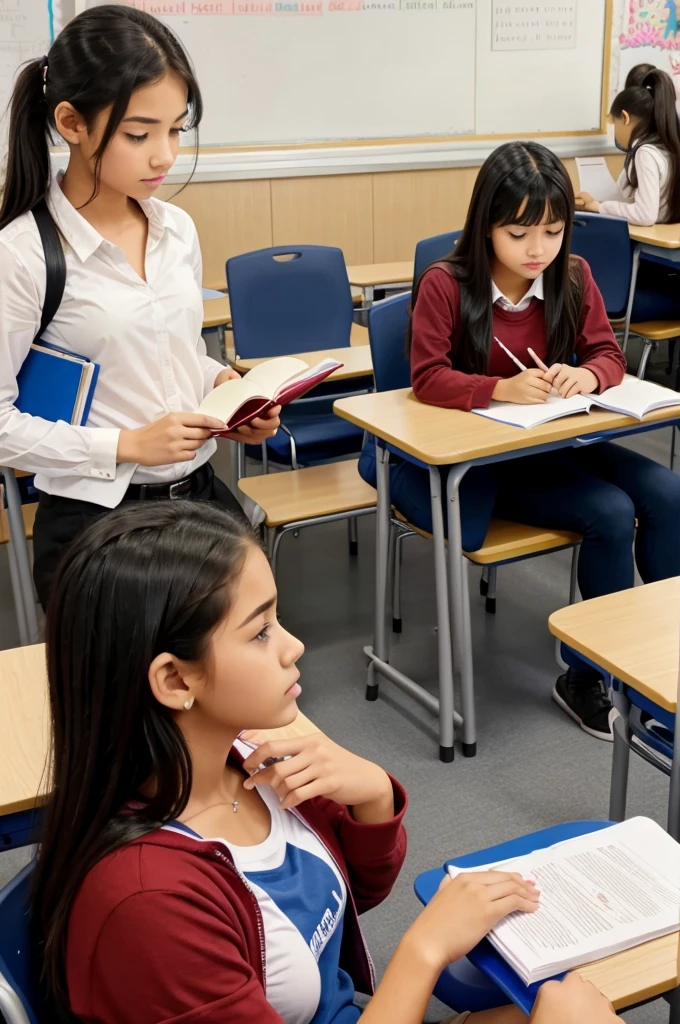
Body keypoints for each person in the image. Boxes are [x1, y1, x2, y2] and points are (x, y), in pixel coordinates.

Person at [31, 501, 616, 1024]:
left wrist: (372, 801)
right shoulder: (149, 905)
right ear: (175, 679)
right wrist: (423, 950)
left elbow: (330, 915)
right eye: (261, 632)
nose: (294, 645)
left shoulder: (243, 760)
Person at [358, 140, 680, 741]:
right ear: (486, 228)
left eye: (554, 231)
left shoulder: (572, 276)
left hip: (551, 444)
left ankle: (662, 655)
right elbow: (427, 377)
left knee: (667, 491)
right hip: (486, 461)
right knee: (609, 512)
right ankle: (586, 675)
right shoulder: (446, 285)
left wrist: (587, 374)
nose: (538, 250)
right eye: (520, 234)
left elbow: (607, 353)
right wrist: (498, 389)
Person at [0, 4, 280, 609]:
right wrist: (126, 445)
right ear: (71, 122)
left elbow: (174, 357)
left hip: (199, 498)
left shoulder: (176, 229)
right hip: (96, 524)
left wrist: (226, 389)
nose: (165, 156)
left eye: (177, 129)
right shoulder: (22, 254)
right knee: (129, 699)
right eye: (139, 133)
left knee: (219, 680)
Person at [575, 68, 680, 321]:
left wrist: (598, 207)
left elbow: (645, 214)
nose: (615, 134)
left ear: (625, 117)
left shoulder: (645, 153)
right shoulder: (668, 147)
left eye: (613, 124)